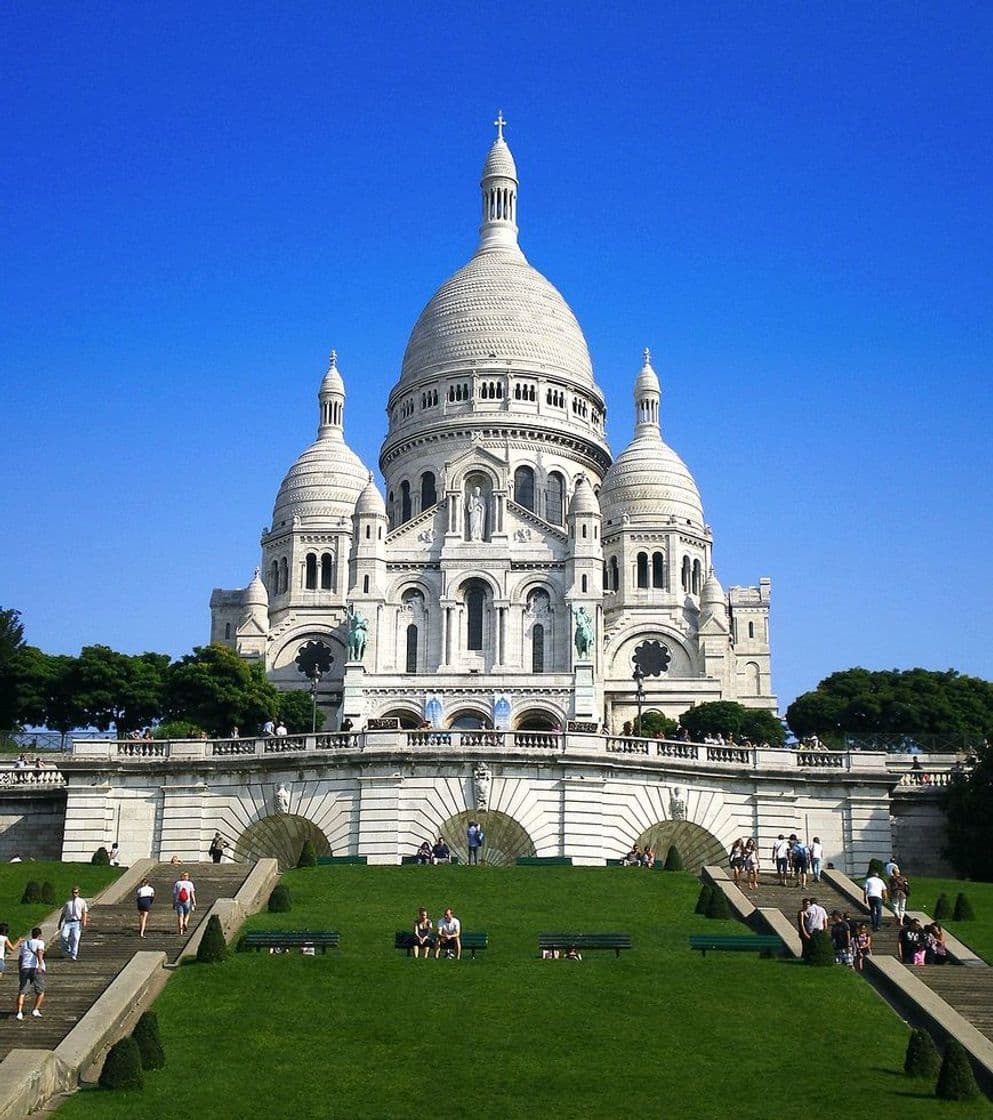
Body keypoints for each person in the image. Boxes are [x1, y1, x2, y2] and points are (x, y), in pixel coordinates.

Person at [15, 927, 45, 1020]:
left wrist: (20, 970)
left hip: (25, 968)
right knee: (41, 991)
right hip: (36, 968)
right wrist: (40, 964)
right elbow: (40, 953)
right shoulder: (40, 943)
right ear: (39, 935)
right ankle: (35, 1010)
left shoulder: (24, 944)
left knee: (22, 991)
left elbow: (20, 959)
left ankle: (19, 1012)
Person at [58, 886, 89, 961]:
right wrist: (60, 922)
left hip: (77, 922)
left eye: (76, 892)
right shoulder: (68, 902)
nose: (75, 894)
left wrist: (84, 921)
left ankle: (73, 954)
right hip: (68, 922)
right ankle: (67, 949)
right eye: (73, 892)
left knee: (75, 938)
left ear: (78, 893)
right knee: (63, 936)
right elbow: (63, 913)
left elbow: (84, 912)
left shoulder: (81, 901)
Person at [173, 870, 196, 935]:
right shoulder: (190, 883)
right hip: (187, 901)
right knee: (187, 914)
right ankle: (185, 923)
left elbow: (175, 894)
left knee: (180, 916)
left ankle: (180, 930)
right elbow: (192, 894)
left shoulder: (177, 883)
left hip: (179, 901)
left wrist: (174, 903)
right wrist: (194, 902)